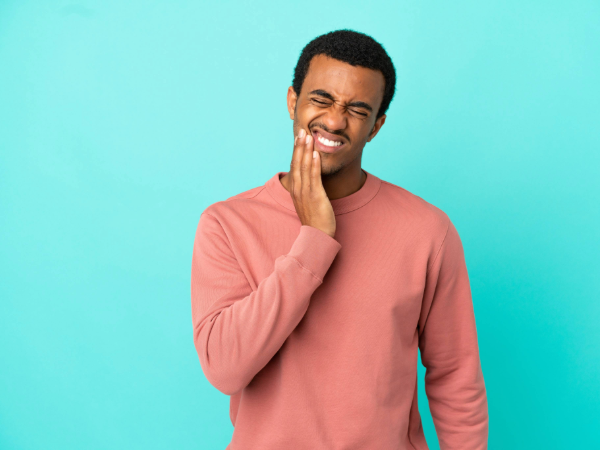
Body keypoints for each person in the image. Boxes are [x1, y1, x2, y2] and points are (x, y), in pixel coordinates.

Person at [191, 29, 489, 449]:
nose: (334, 120)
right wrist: (314, 238)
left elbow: (456, 376)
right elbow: (224, 368)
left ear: (376, 126)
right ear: (293, 101)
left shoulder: (427, 231)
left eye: (356, 109)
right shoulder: (227, 224)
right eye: (321, 100)